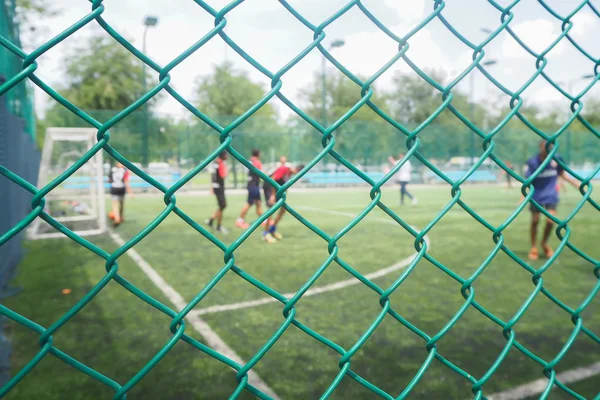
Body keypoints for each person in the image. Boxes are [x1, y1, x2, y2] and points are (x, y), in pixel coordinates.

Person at [525, 140, 578, 260]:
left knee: (550, 221)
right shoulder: (532, 162)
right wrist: (523, 196)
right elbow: (527, 181)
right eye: (546, 147)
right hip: (536, 195)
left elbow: (563, 174)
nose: (548, 149)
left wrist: (576, 184)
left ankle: (544, 243)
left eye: (551, 147)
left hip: (551, 195)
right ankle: (533, 247)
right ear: (540, 147)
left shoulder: (557, 159)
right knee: (535, 221)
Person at [262, 156, 302, 243]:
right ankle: (265, 233)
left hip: (277, 188)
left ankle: (272, 229)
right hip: (269, 185)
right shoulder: (284, 169)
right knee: (271, 209)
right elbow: (273, 179)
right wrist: (272, 196)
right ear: (297, 169)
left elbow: (285, 185)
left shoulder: (290, 175)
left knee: (283, 210)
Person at [236, 149, 264, 229]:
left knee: (258, 203)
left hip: (251, 184)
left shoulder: (250, 161)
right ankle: (239, 220)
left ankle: (263, 220)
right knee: (249, 203)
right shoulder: (257, 162)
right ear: (258, 154)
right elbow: (261, 172)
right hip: (254, 185)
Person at [206, 151, 229, 234]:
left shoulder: (216, 163)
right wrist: (226, 170)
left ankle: (211, 220)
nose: (228, 156)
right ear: (223, 155)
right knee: (223, 205)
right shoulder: (221, 164)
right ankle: (218, 226)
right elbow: (223, 175)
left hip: (217, 187)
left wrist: (212, 186)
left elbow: (212, 175)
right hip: (219, 187)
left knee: (222, 206)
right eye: (226, 154)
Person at [108, 161, 133, 227]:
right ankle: (121, 217)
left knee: (115, 204)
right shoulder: (125, 170)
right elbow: (126, 181)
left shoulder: (112, 169)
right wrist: (130, 192)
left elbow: (109, 180)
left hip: (114, 188)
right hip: (121, 188)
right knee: (121, 203)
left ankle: (117, 218)